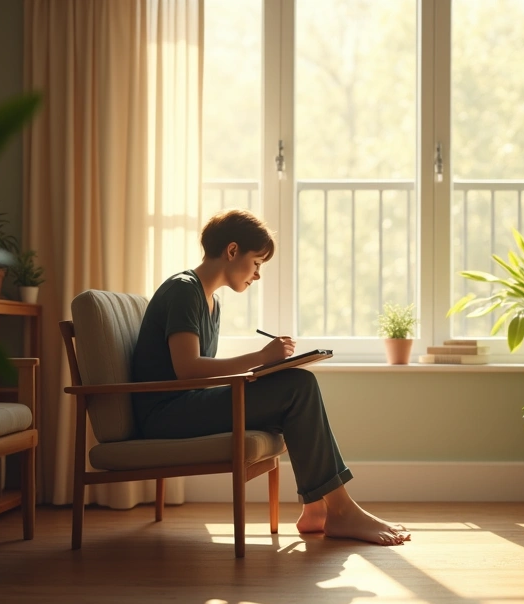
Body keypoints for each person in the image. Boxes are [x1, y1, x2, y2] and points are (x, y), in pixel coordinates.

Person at [130, 209, 410, 546]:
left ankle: (318, 508)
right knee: (298, 387)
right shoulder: (183, 289)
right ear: (232, 251)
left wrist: (264, 370)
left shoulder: (211, 302)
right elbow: (187, 369)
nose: (258, 275)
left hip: (184, 405)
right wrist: (262, 359)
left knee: (295, 387)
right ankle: (338, 510)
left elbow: (197, 374)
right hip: (165, 414)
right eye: (257, 263)